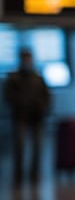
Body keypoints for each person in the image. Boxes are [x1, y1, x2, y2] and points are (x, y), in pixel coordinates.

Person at [4, 48, 51, 188]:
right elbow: (8, 97)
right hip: (20, 118)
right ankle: (18, 176)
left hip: (37, 118)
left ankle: (34, 175)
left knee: (37, 147)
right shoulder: (14, 78)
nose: (27, 61)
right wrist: (20, 105)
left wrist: (42, 108)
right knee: (20, 147)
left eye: (29, 58)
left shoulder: (38, 78)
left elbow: (47, 96)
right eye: (25, 58)